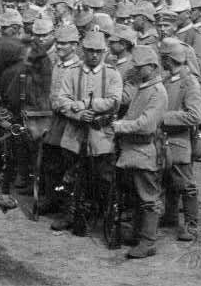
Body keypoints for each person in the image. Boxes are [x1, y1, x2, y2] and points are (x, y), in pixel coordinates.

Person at [47, 31, 121, 236]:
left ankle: (103, 216)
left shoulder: (112, 74)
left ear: (104, 52)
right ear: (83, 50)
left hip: (101, 135)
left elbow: (114, 101)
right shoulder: (72, 72)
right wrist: (79, 114)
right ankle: (70, 213)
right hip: (74, 134)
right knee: (71, 176)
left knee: (102, 178)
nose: (94, 55)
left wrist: (87, 105)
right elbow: (62, 100)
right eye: (90, 51)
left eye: (98, 51)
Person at [111, 45, 168, 259]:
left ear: (152, 67)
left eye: (139, 67)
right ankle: (138, 234)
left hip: (145, 152)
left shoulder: (157, 92)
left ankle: (148, 241)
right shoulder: (144, 87)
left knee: (149, 198)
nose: (135, 70)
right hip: (134, 151)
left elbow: (146, 125)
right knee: (137, 196)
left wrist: (120, 126)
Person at [158, 38, 201, 242]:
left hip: (180, 141)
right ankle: (170, 216)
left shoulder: (189, 82)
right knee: (168, 180)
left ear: (168, 59)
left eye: (162, 58)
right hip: (164, 140)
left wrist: (164, 117)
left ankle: (191, 224)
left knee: (185, 183)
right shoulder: (167, 79)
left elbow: (195, 116)